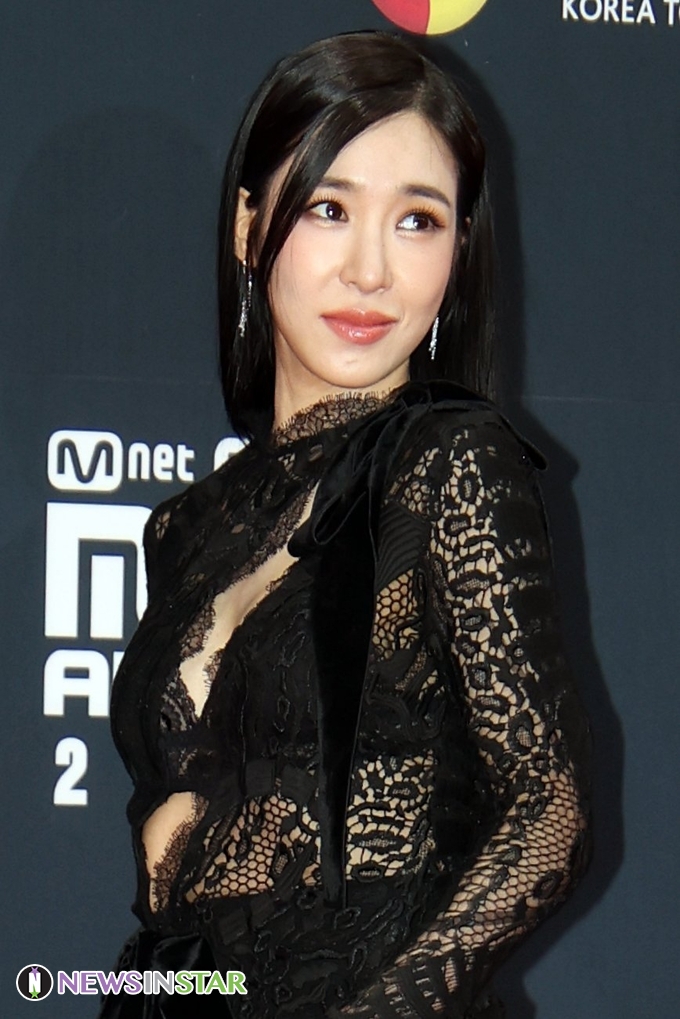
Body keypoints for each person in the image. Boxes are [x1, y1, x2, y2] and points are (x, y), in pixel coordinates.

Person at [98, 30, 592, 1019]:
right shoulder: (188, 529)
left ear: (458, 249)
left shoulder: (449, 462)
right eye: (330, 209)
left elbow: (548, 807)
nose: (371, 271)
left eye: (417, 220)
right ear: (249, 227)